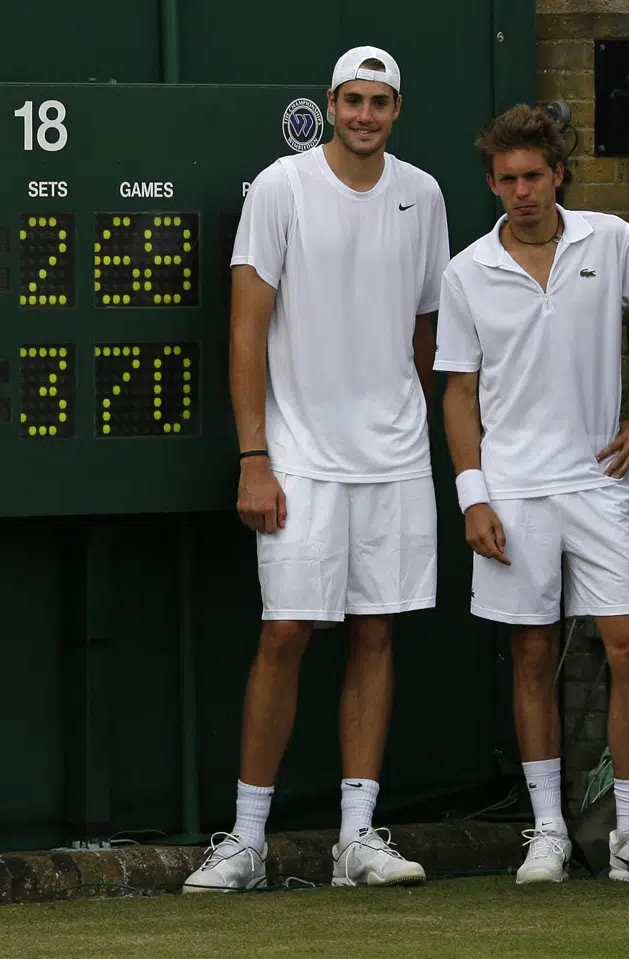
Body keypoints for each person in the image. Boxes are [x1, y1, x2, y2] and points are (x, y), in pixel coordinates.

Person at [183, 45, 448, 892]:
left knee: (375, 633)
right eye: (353, 100)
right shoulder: (281, 186)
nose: (366, 115)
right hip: (296, 457)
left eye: (380, 101)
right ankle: (246, 841)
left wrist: (406, 422)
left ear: (397, 111)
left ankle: (356, 839)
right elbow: (245, 327)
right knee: (286, 631)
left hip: (395, 456)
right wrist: (253, 455)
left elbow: (426, 327)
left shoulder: (424, 194)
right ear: (330, 105)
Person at [434, 104, 629, 884]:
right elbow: (458, 393)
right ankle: (547, 828)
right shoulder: (467, 270)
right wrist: (474, 496)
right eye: (507, 179)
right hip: (512, 490)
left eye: (533, 177)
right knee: (533, 653)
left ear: (558, 175)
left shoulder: (610, 240)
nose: (522, 192)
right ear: (492, 183)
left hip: (600, 481)